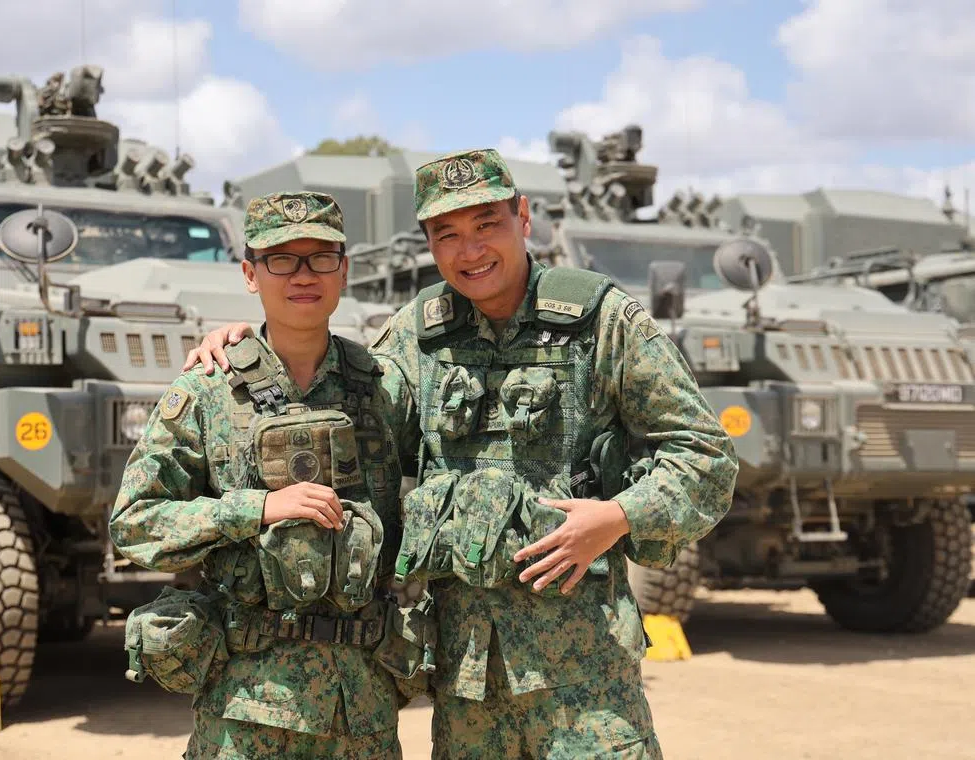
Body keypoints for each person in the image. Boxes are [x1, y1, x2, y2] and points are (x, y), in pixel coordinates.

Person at [184, 150, 739, 758]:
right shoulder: (420, 334)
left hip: (585, 672)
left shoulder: (602, 322)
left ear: (523, 218)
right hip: (465, 675)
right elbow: (338, 402)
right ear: (429, 245)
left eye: (486, 226)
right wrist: (251, 341)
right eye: (447, 235)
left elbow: (704, 455)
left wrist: (617, 518)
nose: (469, 251)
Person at [110, 191, 417, 759]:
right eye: (282, 259)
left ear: (344, 269)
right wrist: (254, 510)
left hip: (363, 711)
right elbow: (133, 524)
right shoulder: (208, 389)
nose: (304, 275)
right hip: (245, 709)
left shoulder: (386, 388)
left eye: (320, 257)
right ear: (251, 274)